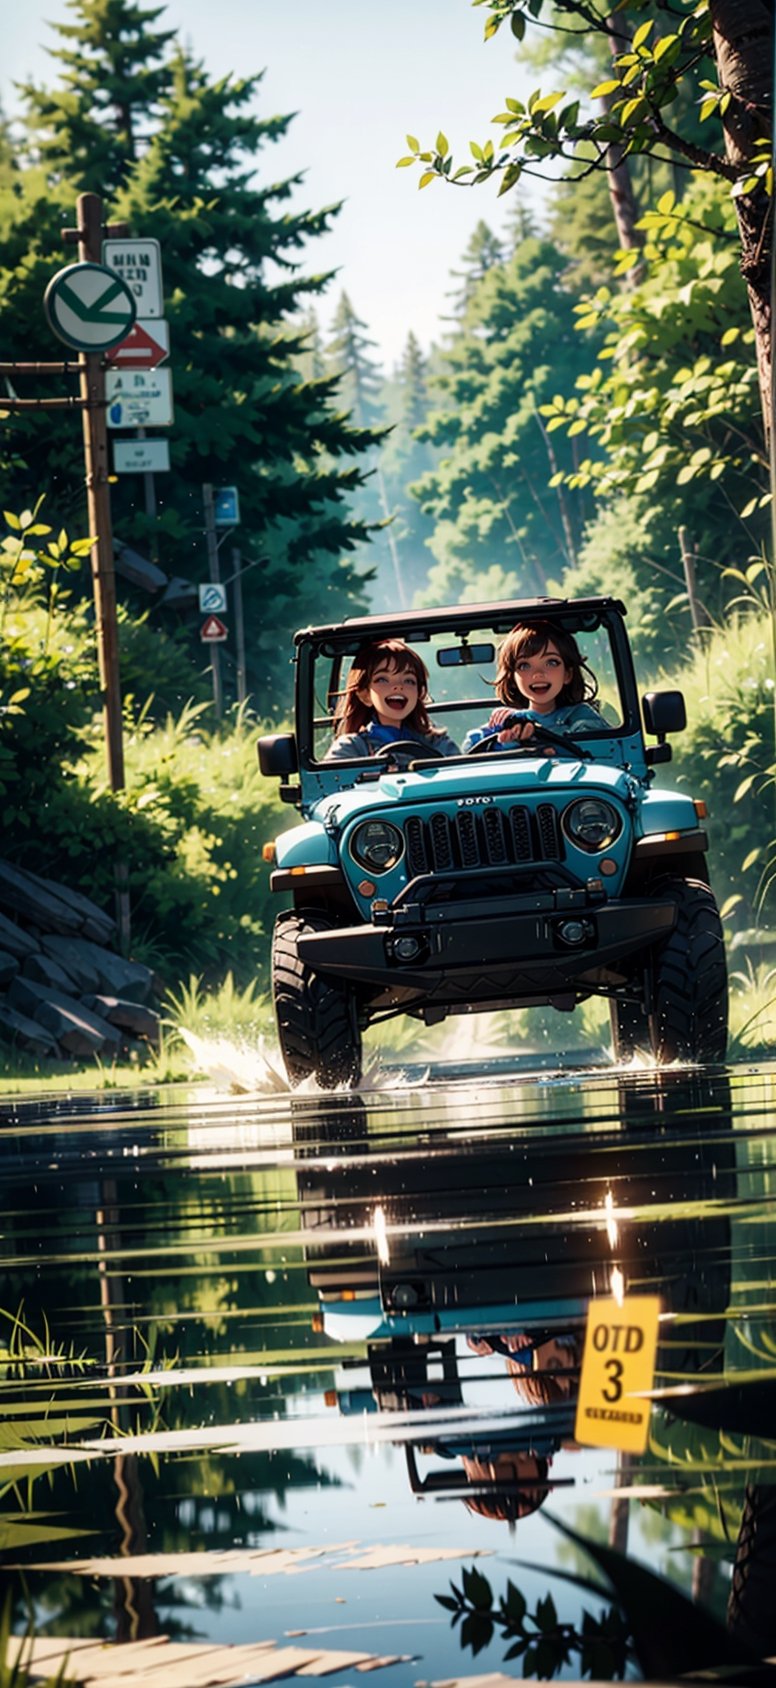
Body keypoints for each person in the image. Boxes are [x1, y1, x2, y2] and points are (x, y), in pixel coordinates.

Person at [462, 620, 601, 753]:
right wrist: (506, 737)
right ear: (512, 678)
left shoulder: (578, 714)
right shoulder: (508, 720)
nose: (538, 674)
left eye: (551, 663)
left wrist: (531, 728)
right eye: (524, 666)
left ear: (567, 674)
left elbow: (599, 744)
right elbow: (470, 746)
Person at [326, 638, 460, 760]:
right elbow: (329, 782)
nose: (398, 686)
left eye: (408, 681)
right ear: (365, 695)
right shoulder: (352, 748)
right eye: (382, 679)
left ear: (419, 693)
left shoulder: (436, 742)